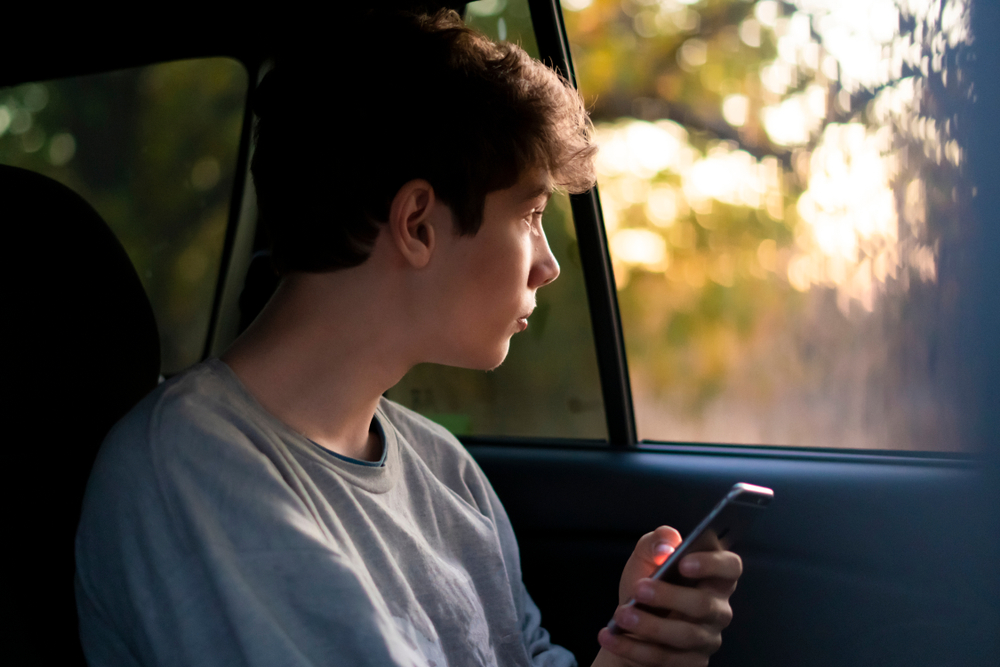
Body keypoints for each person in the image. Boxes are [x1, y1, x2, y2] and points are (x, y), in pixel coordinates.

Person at [75, 10, 742, 667]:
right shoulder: (190, 469)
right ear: (418, 223)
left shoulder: (445, 470)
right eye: (531, 214)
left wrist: (633, 656)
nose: (549, 263)